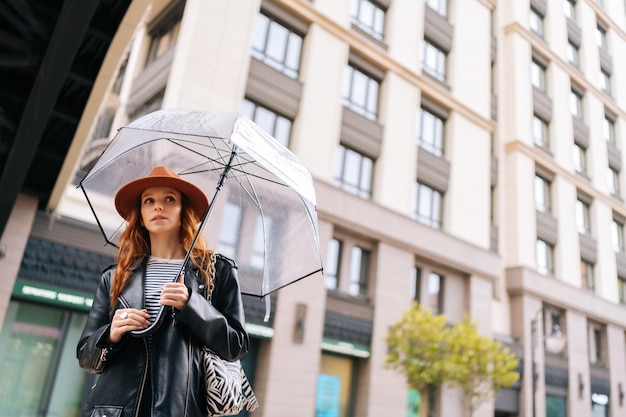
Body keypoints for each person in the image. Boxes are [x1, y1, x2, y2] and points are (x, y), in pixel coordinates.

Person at [77, 165, 249, 417]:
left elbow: (237, 345)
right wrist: (111, 333)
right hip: (114, 411)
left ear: (183, 210)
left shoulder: (216, 272)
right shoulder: (114, 277)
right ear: (142, 214)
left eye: (169, 199)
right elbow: (85, 357)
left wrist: (193, 305)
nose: (158, 207)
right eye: (149, 201)